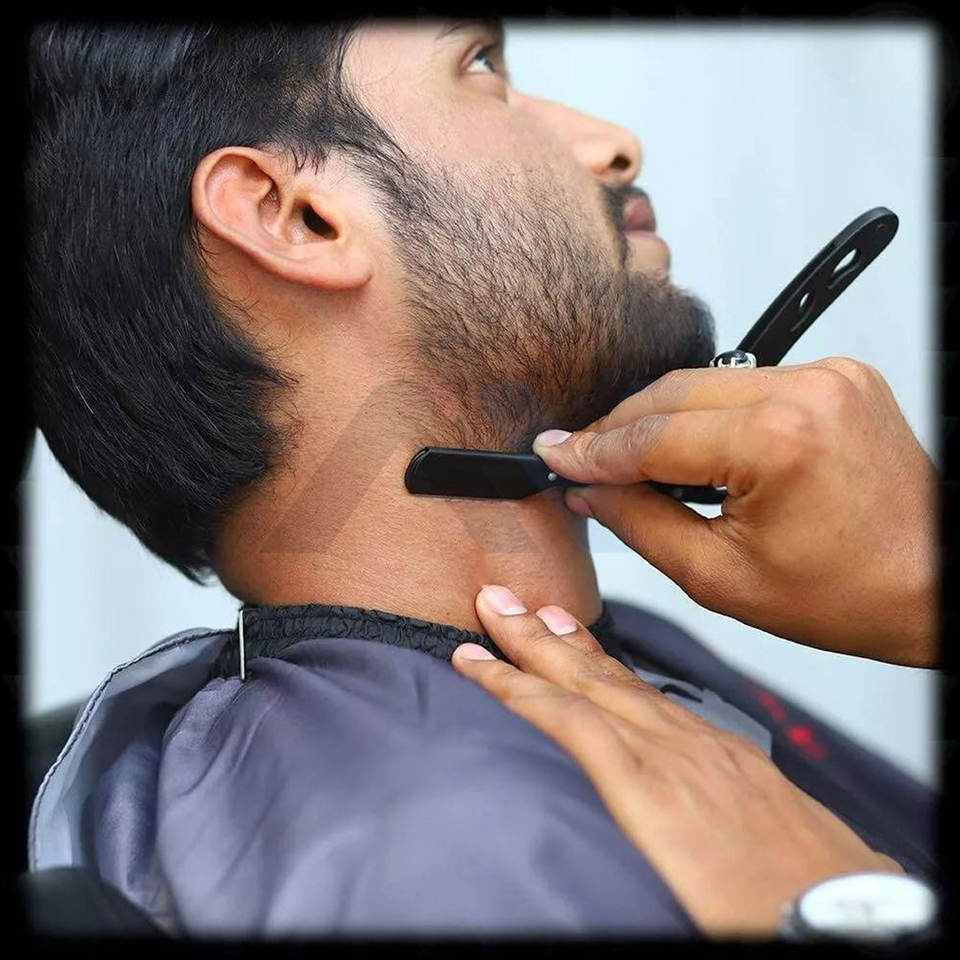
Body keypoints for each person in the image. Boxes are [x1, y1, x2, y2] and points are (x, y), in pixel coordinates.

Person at [25, 18, 937, 939]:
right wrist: (846, 910)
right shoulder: (422, 858)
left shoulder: (600, 665)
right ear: (296, 216)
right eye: (480, 63)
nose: (614, 145)